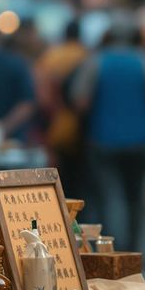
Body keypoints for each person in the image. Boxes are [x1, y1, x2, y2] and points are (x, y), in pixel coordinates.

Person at [70, 16, 145, 252]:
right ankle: (133, 246)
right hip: (138, 138)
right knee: (135, 196)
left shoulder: (96, 62)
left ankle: (109, 247)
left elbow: (81, 101)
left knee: (105, 195)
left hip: (102, 138)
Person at [34, 21, 88, 198]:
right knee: (81, 179)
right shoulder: (87, 55)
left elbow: (42, 96)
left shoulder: (52, 56)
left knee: (58, 179)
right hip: (84, 127)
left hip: (56, 124)